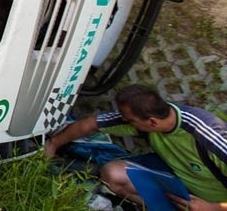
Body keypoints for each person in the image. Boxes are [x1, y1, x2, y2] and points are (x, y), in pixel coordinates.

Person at [44, 84, 227, 210]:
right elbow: (91, 124)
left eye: (129, 120)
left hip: (214, 201)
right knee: (112, 175)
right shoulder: (149, 116)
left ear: (152, 122)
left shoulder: (210, 136)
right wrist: (53, 144)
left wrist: (212, 208)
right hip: (177, 179)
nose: (124, 121)